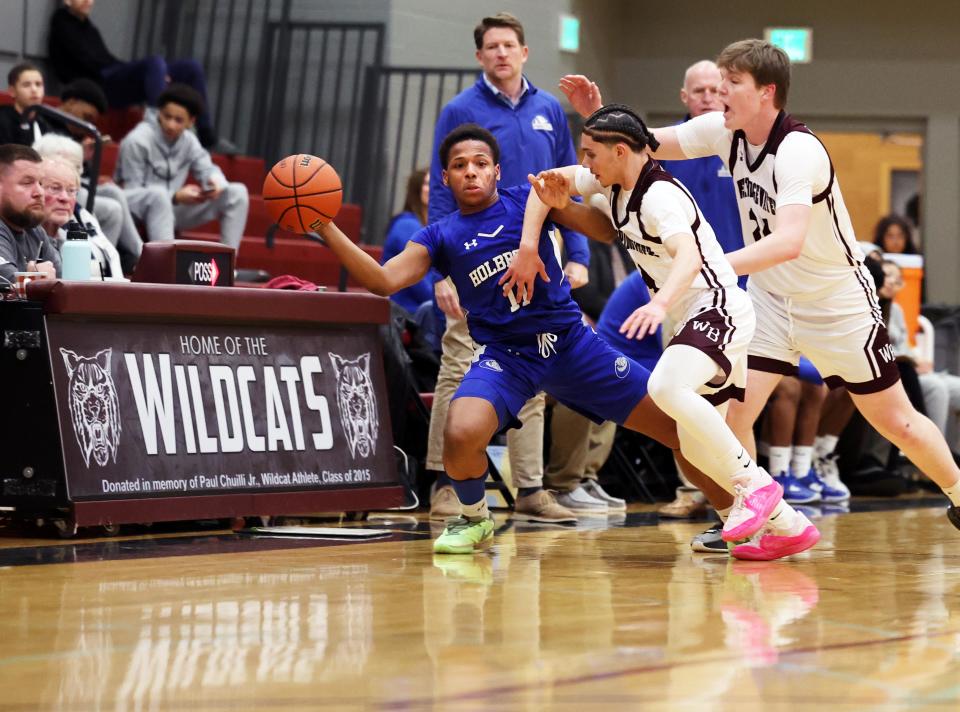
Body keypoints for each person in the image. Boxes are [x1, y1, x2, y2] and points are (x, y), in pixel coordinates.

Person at [555, 38, 960, 531]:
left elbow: (789, 240)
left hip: (834, 301)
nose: (719, 91)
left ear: (766, 92)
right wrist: (597, 115)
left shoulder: (798, 151)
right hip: (768, 300)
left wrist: (709, 264)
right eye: (719, 81)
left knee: (897, 423)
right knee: (732, 419)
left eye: (732, 83)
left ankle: (958, 490)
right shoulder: (725, 131)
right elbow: (637, 147)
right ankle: (753, 522)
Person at [314, 123, 727, 555]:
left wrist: (563, 203)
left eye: (480, 164)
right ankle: (474, 517)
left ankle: (733, 516)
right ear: (445, 179)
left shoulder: (526, 199)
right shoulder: (440, 235)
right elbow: (382, 280)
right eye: (459, 166)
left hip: (571, 344)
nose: (470, 172)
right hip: (508, 356)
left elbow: (606, 232)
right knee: (461, 429)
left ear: (496, 171)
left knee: (679, 426)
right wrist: (326, 227)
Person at [509, 103, 818, 559]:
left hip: (718, 306)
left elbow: (689, 257)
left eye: (590, 154)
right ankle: (789, 525)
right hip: (691, 316)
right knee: (691, 441)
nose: (584, 164)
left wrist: (658, 303)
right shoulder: (606, 179)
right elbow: (542, 187)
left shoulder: (660, 196)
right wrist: (530, 245)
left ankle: (756, 486)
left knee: (665, 386)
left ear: (619, 151)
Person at [425, 13, 591, 524]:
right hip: (473, 254)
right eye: (491, 47)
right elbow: (438, 191)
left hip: (539, 249)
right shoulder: (460, 110)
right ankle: (445, 484)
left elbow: (569, 185)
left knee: (538, 361)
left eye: (508, 45)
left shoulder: (548, 109)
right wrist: (441, 272)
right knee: (458, 365)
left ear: (524, 52)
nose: (500, 53)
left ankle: (531, 489)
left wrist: (578, 254)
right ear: (480, 57)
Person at [656, 59, 747, 522]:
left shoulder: (737, 143)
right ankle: (690, 488)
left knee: (733, 405)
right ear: (684, 97)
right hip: (681, 292)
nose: (709, 97)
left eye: (717, 89)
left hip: (739, 292)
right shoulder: (665, 151)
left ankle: (739, 497)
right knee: (679, 396)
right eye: (700, 91)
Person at [545, 269, 661, 513]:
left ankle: (586, 478)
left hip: (595, 354)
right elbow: (588, 299)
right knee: (579, 392)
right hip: (549, 366)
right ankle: (563, 485)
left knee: (608, 392)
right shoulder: (648, 280)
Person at [48, 0, 226, 149]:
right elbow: (84, 64)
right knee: (154, 63)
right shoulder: (62, 23)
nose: (89, 1)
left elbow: (107, 59)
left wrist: (147, 73)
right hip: (99, 86)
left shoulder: (88, 27)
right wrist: (139, 71)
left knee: (190, 68)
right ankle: (159, 122)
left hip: (112, 76)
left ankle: (205, 132)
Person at [114, 84, 249, 250]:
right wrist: (174, 196)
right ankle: (165, 264)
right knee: (159, 195)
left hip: (172, 209)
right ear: (159, 113)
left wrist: (215, 182)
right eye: (166, 116)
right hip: (137, 210)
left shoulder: (189, 140)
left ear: (191, 122)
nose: (170, 125)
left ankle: (229, 262)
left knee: (237, 192)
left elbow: (207, 168)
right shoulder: (136, 140)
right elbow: (133, 193)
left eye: (178, 120)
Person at [35, 138, 123, 279]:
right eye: (55, 188)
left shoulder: (83, 217)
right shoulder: (23, 233)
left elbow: (111, 258)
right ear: (36, 190)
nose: (64, 198)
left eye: (71, 191)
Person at [0, 144, 60, 285]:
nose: (39, 192)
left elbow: (62, 282)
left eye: (40, 183)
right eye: (27, 183)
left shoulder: (34, 231)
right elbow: (7, 285)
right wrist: (37, 281)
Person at [381, 168, 434, 315]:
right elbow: (421, 286)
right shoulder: (407, 225)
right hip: (406, 314)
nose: (434, 188)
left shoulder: (436, 227)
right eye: (428, 184)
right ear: (417, 190)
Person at [0, 63, 48, 146]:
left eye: (38, 84)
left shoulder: (47, 121)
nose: (34, 90)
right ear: (12, 91)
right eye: (26, 85)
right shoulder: (2, 121)